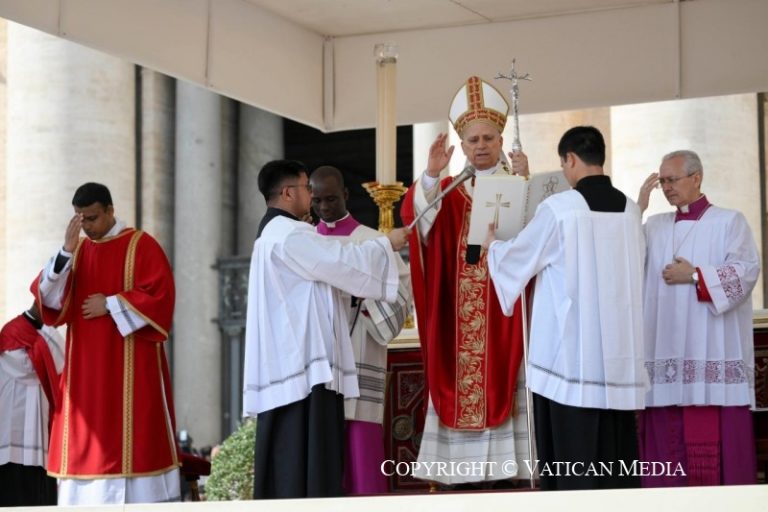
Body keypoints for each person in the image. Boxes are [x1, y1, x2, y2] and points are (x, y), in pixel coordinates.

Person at [484, 126, 647, 490]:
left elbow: (519, 260)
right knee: (616, 460)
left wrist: (493, 245)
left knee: (573, 464)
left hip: (569, 362)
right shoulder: (631, 210)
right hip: (618, 360)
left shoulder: (560, 209)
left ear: (570, 160)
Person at [243, 160, 410, 499]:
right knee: (308, 461)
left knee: (291, 458)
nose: (312, 196)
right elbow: (338, 262)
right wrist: (386, 244)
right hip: (304, 372)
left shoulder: (271, 233)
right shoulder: (289, 234)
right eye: (307, 188)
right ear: (288, 193)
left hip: (289, 366)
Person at [399, 75, 530, 486]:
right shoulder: (448, 191)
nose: (481, 146)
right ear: (463, 144)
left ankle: (512, 472)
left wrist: (528, 186)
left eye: (488, 138)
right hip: (458, 320)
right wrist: (429, 175)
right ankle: (462, 475)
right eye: (473, 140)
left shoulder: (521, 184)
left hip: (507, 314)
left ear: (501, 139)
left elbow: (543, 235)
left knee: (508, 381)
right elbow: (415, 225)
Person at [31, 182, 180, 505]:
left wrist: (111, 304)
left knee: (136, 437)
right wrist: (65, 251)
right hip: (85, 373)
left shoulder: (142, 245)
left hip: (133, 367)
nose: (86, 226)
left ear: (111, 210)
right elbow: (47, 299)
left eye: (92, 218)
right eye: (80, 219)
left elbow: (161, 297)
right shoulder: (77, 252)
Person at [636, 150, 760, 486]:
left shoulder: (729, 222)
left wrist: (695, 276)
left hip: (711, 349)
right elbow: (622, 260)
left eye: (672, 180)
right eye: (662, 182)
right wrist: (638, 210)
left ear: (696, 178)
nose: (666, 187)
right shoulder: (653, 227)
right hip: (664, 347)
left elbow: (747, 272)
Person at [310, 165, 411, 495]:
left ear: (346, 195)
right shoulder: (306, 243)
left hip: (360, 349)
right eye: (317, 201)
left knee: (360, 446)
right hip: (320, 358)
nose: (324, 208)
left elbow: (401, 289)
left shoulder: (373, 241)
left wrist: (363, 296)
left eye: (331, 199)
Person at [0, 303, 64, 506]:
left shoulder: (44, 338)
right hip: (20, 443)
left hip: (32, 440)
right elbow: (44, 365)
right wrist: (48, 334)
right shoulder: (15, 332)